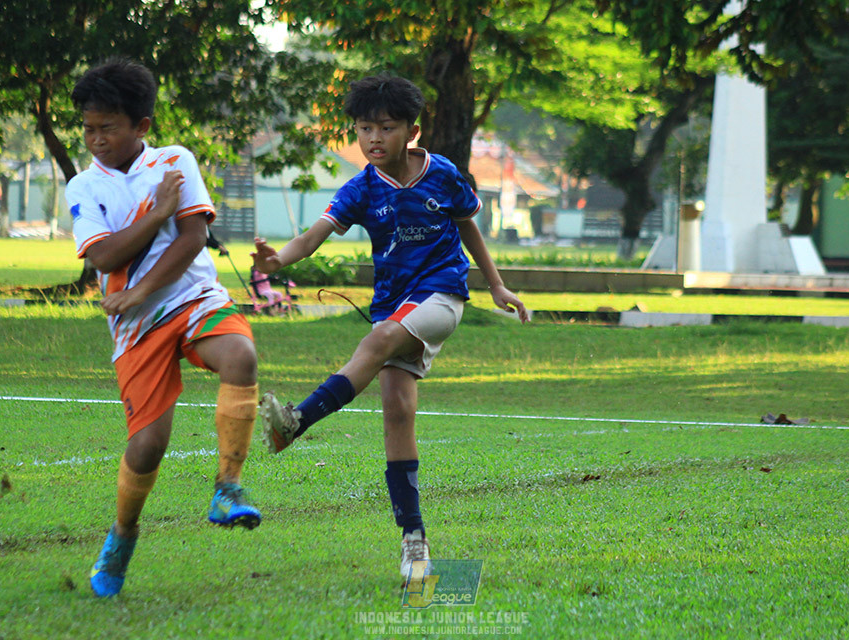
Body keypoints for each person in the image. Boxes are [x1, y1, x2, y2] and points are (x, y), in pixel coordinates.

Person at [252, 73, 530, 579]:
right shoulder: (360, 187)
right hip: (392, 306)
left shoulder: (442, 174)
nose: (373, 139)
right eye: (363, 129)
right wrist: (279, 261)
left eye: (385, 127)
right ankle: (415, 543)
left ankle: (297, 420)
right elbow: (313, 236)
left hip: (443, 297)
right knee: (398, 412)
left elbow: (468, 224)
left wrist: (496, 285)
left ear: (412, 131)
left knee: (378, 340)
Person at [66, 58, 262, 598]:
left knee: (241, 355)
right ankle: (122, 535)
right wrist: (155, 216)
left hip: (193, 296)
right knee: (148, 446)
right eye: (88, 128)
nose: (96, 139)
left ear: (141, 127)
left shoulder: (176, 161)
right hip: (134, 324)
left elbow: (194, 237)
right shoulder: (82, 186)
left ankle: (227, 488)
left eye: (108, 127)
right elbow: (104, 258)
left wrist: (145, 286)